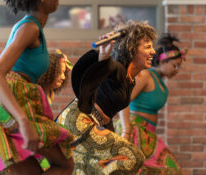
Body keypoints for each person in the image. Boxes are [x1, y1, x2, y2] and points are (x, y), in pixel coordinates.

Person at [0, 1, 74, 175]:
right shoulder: (29, 28)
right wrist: (23, 121)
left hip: (10, 101)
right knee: (65, 164)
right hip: (8, 104)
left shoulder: (30, 26)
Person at [57, 20, 157, 175]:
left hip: (91, 124)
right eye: (148, 47)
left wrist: (113, 131)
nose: (153, 52)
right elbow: (88, 75)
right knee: (133, 156)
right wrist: (103, 56)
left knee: (89, 168)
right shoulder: (117, 69)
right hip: (78, 121)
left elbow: (108, 114)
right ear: (132, 49)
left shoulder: (131, 80)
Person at [119, 33, 186, 174]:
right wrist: (126, 130)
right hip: (135, 130)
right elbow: (122, 101)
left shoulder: (160, 81)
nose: (177, 70)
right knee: (170, 170)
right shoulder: (146, 76)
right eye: (175, 66)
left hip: (148, 133)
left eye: (179, 67)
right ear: (163, 61)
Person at [37, 50, 73, 171]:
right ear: (49, 71)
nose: (63, 77)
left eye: (64, 73)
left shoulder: (49, 93)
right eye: (59, 73)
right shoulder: (38, 93)